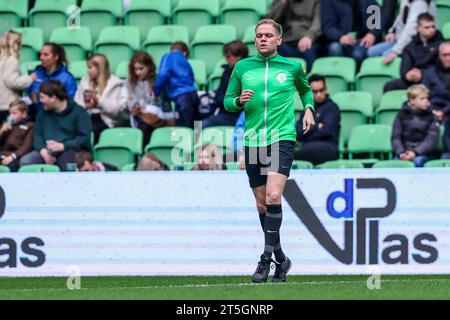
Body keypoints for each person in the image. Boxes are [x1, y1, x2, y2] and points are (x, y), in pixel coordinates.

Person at [224, 19, 315, 283]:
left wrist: (308, 109)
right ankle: (282, 260)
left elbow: (306, 91)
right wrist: (238, 101)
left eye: (268, 35)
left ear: (278, 39)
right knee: (262, 203)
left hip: (281, 138)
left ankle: (265, 259)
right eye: (258, 35)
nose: (262, 39)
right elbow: (228, 102)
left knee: (275, 196)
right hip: (253, 141)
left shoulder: (292, 67)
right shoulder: (242, 67)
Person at [20, 80, 92, 172]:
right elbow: (37, 135)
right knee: (26, 161)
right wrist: (43, 152)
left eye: (42, 97)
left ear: (53, 98)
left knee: (67, 163)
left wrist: (63, 146)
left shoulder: (79, 113)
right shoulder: (42, 113)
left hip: (72, 150)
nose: (40, 101)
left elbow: (84, 138)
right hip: (47, 151)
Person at [74, 54, 127, 143]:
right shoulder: (85, 81)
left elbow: (115, 111)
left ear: (100, 68)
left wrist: (98, 101)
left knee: (92, 130)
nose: (87, 71)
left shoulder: (114, 83)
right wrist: (85, 106)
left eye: (90, 68)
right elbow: (76, 104)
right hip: (86, 118)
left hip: (105, 120)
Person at [384, 13, 443, 92]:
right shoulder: (410, 46)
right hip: (414, 80)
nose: (431, 30)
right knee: (390, 86)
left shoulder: (442, 45)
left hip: (434, 80)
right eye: (427, 27)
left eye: (433, 26)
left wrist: (422, 73)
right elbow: (404, 68)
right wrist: (408, 75)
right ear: (418, 28)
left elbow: (441, 67)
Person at [368, 0, 437, 64]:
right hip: (398, 39)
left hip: (413, 43)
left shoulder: (420, 4)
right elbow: (400, 16)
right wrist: (392, 32)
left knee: (385, 55)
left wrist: (395, 51)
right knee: (371, 52)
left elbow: (411, 31)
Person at [201, 40, 249, 129]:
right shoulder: (227, 72)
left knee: (201, 125)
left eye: (228, 57)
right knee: (199, 120)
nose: (226, 60)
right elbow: (220, 95)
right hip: (226, 112)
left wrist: (220, 99)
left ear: (238, 57)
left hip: (239, 116)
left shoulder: (249, 73)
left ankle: (195, 141)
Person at [321, 0, 382, 68]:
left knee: (357, 54)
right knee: (335, 48)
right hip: (339, 40)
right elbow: (328, 27)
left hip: (363, 40)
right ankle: (339, 76)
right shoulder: (328, 1)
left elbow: (378, 20)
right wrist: (340, 37)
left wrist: (372, 34)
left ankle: (356, 77)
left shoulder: (369, 1)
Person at [295, 74, 340, 165]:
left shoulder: (332, 108)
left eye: (321, 90)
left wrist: (309, 128)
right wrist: (317, 126)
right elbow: (298, 133)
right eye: (315, 92)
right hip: (306, 148)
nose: (318, 94)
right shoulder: (307, 110)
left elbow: (326, 131)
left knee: (288, 155)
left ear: (326, 90)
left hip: (327, 147)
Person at [153, 41, 199, 128]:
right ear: (185, 53)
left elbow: (163, 75)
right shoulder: (186, 62)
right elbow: (192, 77)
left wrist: (156, 91)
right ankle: (198, 140)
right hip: (193, 94)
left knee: (184, 129)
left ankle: (186, 141)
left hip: (182, 97)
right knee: (197, 124)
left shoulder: (168, 56)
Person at [266, 0, 321, 72]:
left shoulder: (315, 2)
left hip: (308, 41)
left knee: (309, 52)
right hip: (287, 41)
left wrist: (309, 36)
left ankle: (308, 81)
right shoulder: (281, 1)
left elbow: (317, 23)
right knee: (272, 47)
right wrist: (283, 3)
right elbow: (270, 21)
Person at [392, 84, 439, 167]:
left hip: (425, 154)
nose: (426, 101)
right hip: (404, 152)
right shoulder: (401, 115)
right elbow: (396, 137)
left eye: (427, 98)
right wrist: (401, 152)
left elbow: (431, 140)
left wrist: (415, 152)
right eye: (422, 99)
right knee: (395, 163)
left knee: (418, 161)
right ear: (411, 100)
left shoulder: (432, 116)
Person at [28, 43, 77, 119]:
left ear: (56, 57)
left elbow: (71, 103)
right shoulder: (35, 75)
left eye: (46, 55)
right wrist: (30, 98)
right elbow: (26, 98)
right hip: (35, 118)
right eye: (40, 55)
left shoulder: (67, 78)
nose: (41, 57)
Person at [119, 51, 157, 145]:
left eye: (141, 69)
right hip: (133, 117)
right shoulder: (128, 82)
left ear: (149, 67)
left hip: (152, 118)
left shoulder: (157, 81)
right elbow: (122, 101)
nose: (138, 72)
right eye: (135, 69)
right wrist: (129, 106)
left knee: (145, 126)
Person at [0, 30, 36, 123]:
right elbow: (12, 82)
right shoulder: (12, 60)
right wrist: (30, 79)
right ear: (14, 44)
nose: (21, 46)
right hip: (7, 105)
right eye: (19, 43)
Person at [422, 42, 450, 160]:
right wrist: (432, 110)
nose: (448, 58)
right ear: (439, 56)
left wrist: (444, 111)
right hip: (432, 112)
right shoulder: (430, 73)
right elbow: (422, 95)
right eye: (445, 55)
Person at [0, 100, 34, 172]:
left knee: (11, 165)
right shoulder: (5, 125)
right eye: (9, 113)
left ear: (24, 114)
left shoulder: (30, 126)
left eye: (14, 113)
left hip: (16, 156)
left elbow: (26, 146)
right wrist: (1, 131)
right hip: (2, 154)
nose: (10, 116)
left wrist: (13, 156)